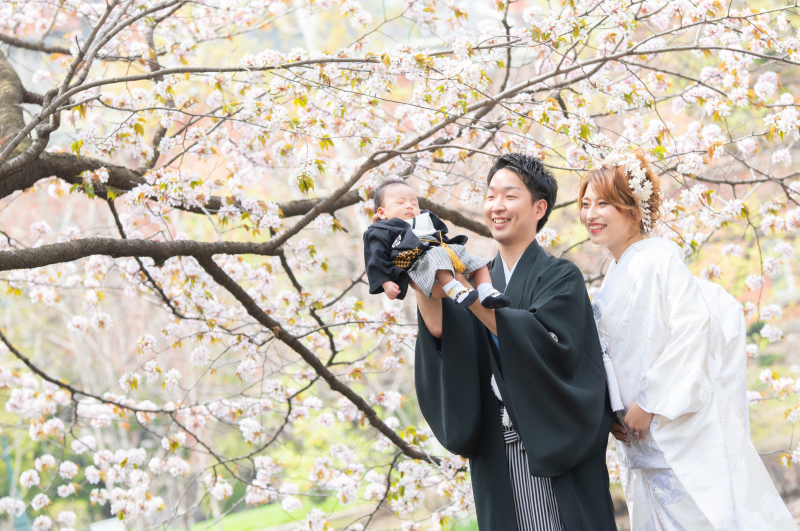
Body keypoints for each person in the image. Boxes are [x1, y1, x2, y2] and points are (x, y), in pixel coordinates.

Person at [581, 149, 796, 530]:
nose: (590, 214)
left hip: (672, 429)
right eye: (585, 204)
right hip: (639, 438)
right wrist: (612, 411)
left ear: (633, 210)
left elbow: (692, 326)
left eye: (604, 204)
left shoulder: (659, 259)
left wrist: (648, 402)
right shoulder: (613, 275)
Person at [414, 153, 617, 531]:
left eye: (510, 196)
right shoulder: (475, 280)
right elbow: (444, 333)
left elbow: (546, 344)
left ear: (539, 207)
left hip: (557, 451)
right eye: (491, 196)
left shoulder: (561, 277)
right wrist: (420, 266)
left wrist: (462, 293)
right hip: (497, 455)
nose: (497, 206)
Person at [364, 177, 510, 308]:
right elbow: (375, 258)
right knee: (437, 254)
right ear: (382, 213)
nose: (410, 206)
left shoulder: (423, 220)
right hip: (418, 262)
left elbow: (439, 238)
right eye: (401, 202)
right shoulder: (382, 229)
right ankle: (455, 289)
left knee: (479, 263)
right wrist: (386, 282)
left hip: (443, 254)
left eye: (414, 203)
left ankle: (486, 291)